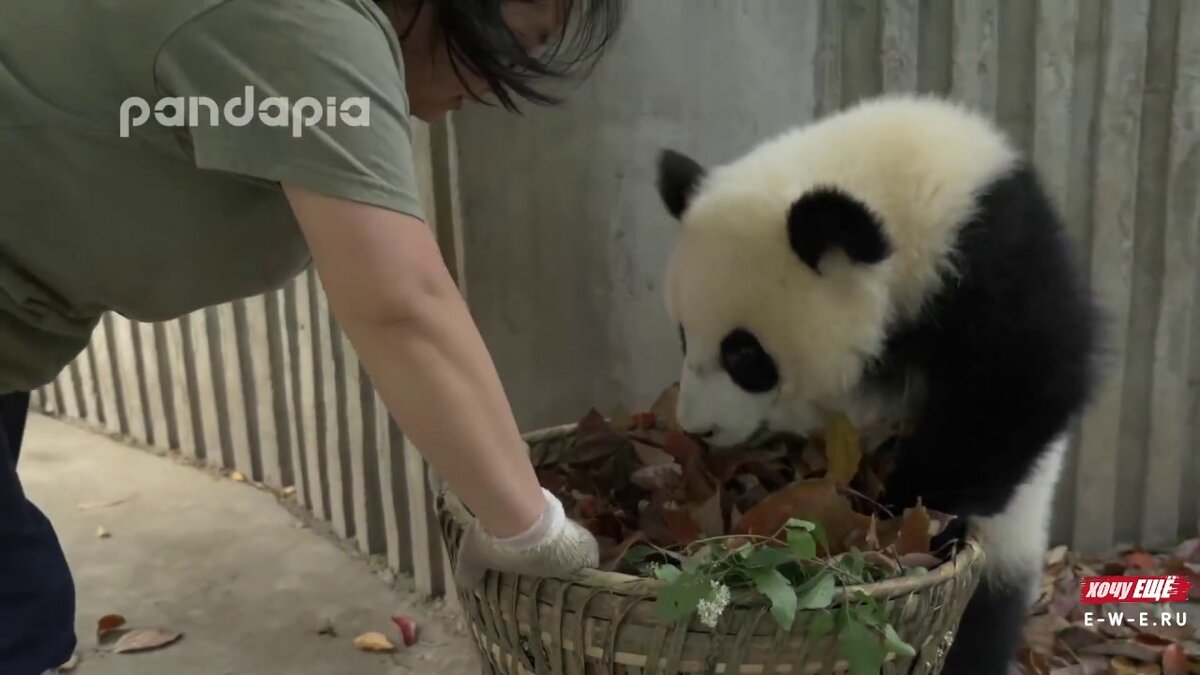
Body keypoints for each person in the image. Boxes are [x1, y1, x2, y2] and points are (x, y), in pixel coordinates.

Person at [0, 0, 624, 672]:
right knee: (17, 610)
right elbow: (402, 305)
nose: (501, 81)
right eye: (517, 41)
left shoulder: (320, 56)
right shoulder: (302, 19)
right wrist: (535, 533)